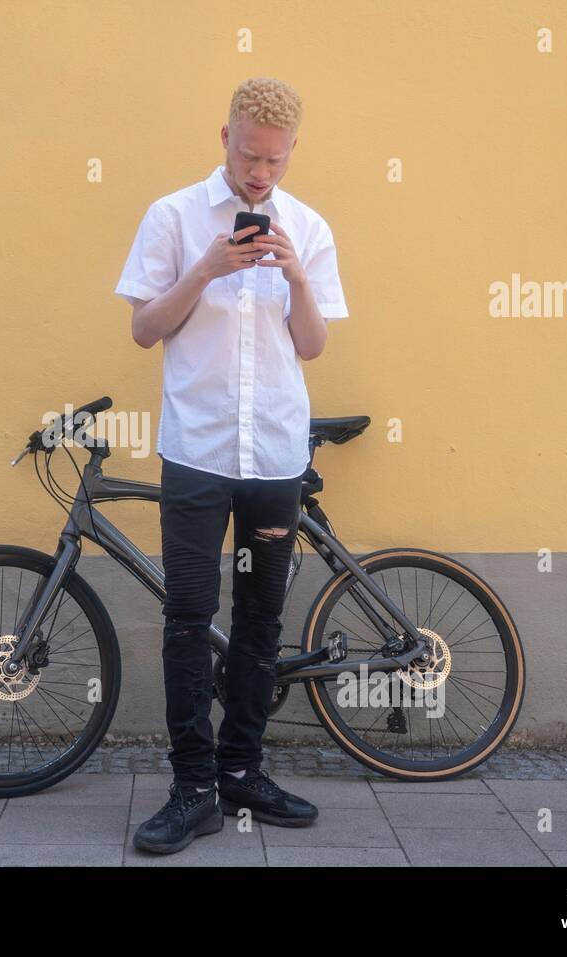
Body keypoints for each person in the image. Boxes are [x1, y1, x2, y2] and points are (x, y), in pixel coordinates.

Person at [114, 77, 350, 854]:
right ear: (225, 137)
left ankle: (243, 768)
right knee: (186, 619)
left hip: (275, 453)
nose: (261, 174)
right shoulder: (174, 217)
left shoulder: (307, 226)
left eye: (275, 161)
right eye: (251, 155)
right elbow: (147, 328)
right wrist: (207, 269)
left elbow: (313, 344)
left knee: (259, 621)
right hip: (197, 451)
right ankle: (193, 787)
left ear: (291, 154)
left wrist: (298, 277)